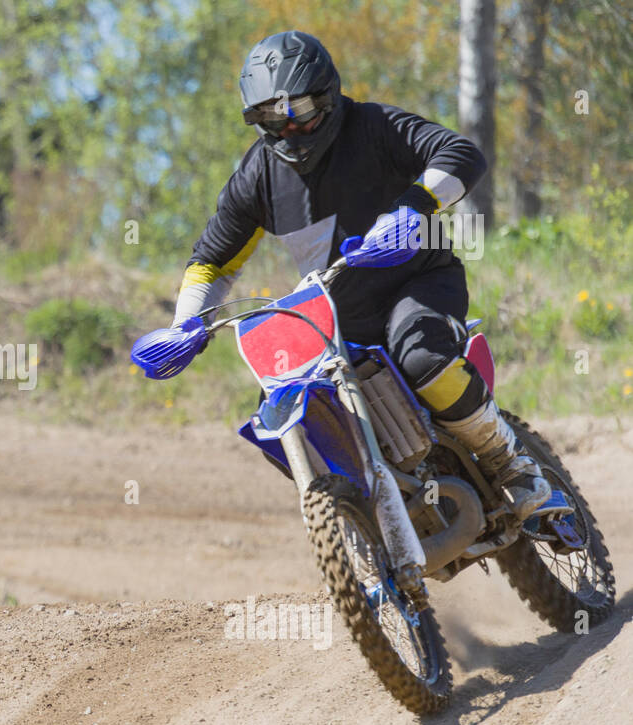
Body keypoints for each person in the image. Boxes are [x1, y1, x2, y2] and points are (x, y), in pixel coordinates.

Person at [173, 30, 554, 519]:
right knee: (282, 414)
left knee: (421, 356)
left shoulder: (373, 126)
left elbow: (462, 154)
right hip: (333, 318)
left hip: (417, 283)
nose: (289, 128)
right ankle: (363, 515)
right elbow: (212, 259)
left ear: (328, 96)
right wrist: (185, 325)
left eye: (300, 111)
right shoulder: (257, 176)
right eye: (271, 118)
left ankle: (511, 461)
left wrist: (414, 206)